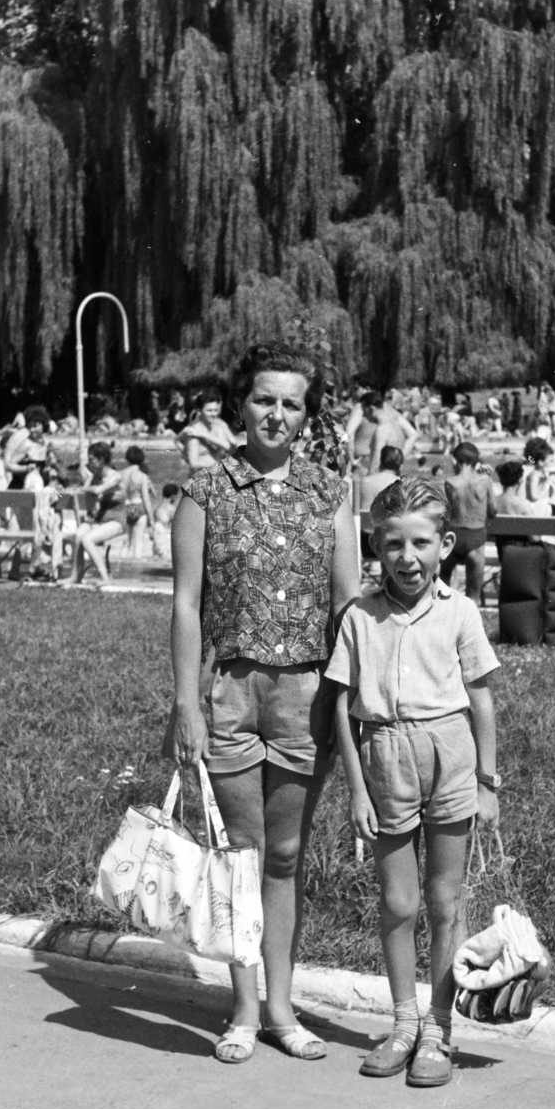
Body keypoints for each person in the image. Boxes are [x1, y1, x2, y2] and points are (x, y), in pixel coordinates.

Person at [168, 340, 359, 1064]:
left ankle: (283, 1007)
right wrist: (186, 704)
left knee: (285, 854)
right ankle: (244, 1009)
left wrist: (353, 701)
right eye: (263, 399)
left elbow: (346, 605)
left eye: (291, 403)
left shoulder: (328, 494)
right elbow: (186, 607)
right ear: (239, 405)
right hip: (232, 694)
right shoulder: (204, 491)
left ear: (307, 416)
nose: (276, 414)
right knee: (239, 857)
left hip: (306, 696)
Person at [326, 476, 500, 1088]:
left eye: (421, 543)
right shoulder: (359, 618)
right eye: (392, 545)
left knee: (445, 900)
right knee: (398, 902)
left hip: (449, 754)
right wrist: (354, 788)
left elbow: (481, 700)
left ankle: (438, 1028)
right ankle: (402, 1022)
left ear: (446, 544)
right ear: (376, 547)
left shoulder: (461, 612)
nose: (407, 558)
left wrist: (487, 783)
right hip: (385, 759)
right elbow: (343, 709)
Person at [439, 442, 494, 603]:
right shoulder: (485, 481)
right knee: (473, 596)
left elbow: (446, 511)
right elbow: (493, 511)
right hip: (475, 537)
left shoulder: (449, 482)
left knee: (443, 586)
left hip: (454, 536)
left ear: (455, 461)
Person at [71, 441, 126, 584]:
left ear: (101, 459)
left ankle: (105, 579)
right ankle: (75, 577)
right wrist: (88, 479)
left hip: (117, 520)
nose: (89, 464)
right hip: (100, 519)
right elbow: (88, 501)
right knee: (78, 535)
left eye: (91, 460)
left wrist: (84, 488)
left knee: (87, 540)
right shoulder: (95, 476)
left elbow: (97, 491)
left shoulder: (115, 477)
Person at [179, 390, 237, 475]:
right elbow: (194, 463)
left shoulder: (220, 425)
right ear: (199, 411)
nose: (214, 414)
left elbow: (233, 446)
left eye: (215, 410)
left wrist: (204, 435)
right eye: (209, 411)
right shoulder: (193, 432)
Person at [121, 444, 156, 557]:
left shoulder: (121, 474)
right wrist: (151, 519)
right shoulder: (142, 476)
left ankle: (120, 569)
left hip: (125, 508)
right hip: (138, 507)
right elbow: (146, 499)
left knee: (126, 543)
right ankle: (136, 568)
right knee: (138, 545)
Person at [152, 482, 180, 560]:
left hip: (156, 534)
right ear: (173, 495)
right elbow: (177, 525)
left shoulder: (157, 507)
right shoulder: (171, 509)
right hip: (164, 536)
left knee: (157, 558)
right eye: (176, 495)